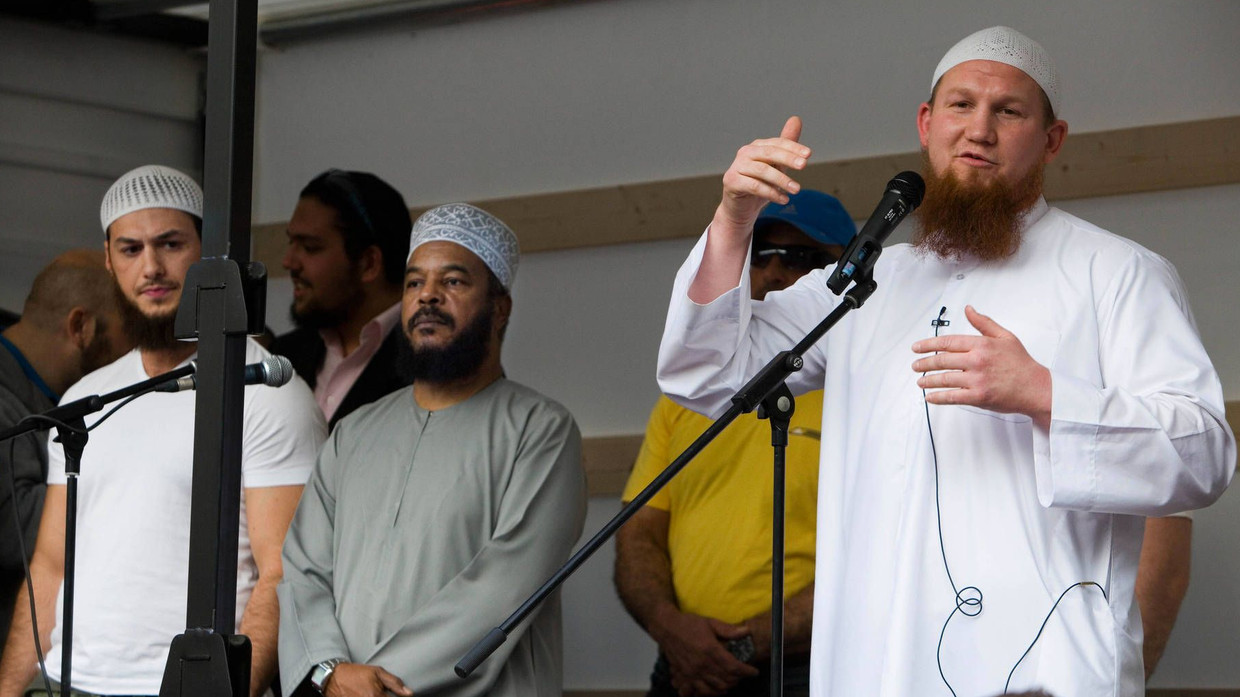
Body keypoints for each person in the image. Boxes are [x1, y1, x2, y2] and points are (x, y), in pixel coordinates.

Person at [656, 26, 1233, 697]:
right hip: (873, 669)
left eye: (1008, 111)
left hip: (1039, 676)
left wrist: (1046, 393)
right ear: (927, 126)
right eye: (960, 106)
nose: (979, 130)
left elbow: (1204, 455)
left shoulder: (1118, 271)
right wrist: (732, 219)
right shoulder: (866, 282)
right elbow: (706, 372)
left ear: (1052, 140)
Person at [0, 165, 327, 697]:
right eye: (130, 249)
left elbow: (285, 577)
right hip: (62, 683)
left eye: (170, 243)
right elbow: (50, 565)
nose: (151, 267)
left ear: (206, 251)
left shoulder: (265, 390)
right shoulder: (85, 398)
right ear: (109, 260)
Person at [278, 203, 587, 697]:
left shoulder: (540, 431)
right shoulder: (354, 434)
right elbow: (304, 571)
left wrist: (373, 684)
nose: (428, 297)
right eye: (414, 283)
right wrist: (330, 669)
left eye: (454, 282)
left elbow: (504, 589)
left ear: (500, 308)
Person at [614, 191, 856, 697]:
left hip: (804, 670)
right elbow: (639, 535)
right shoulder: (689, 392)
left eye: (801, 258)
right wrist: (671, 629)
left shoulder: (861, 391)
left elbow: (873, 559)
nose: (772, 271)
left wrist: (739, 647)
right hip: (682, 664)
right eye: (759, 253)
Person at [0, 250, 132, 654]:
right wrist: (133, 485)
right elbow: (12, 529)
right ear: (82, 327)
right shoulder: (4, 402)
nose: (132, 360)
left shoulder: (43, 395)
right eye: (127, 339)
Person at [271, 169, 414, 430]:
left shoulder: (433, 365)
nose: (288, 262)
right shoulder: (281, 357)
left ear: (368, 263)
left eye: (310, 247)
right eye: (291, 243)